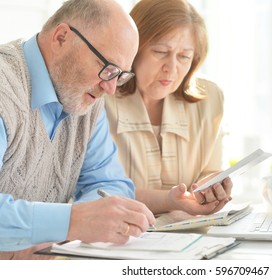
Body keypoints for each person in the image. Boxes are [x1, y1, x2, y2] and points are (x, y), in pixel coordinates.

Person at [0, 0, 216, 260]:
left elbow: (110, 182)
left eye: (120, 75)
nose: (111, 89)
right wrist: (72, 221)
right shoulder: (5, 91)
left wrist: (91, 219)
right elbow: (76, 220)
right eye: (107, 68)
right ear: (61, 38)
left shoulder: (84, 98)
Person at [105, 0, 232, 215]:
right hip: (119, 240)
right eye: (161, 52)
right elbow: (96, 191)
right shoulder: (101, 98)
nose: (171, 69)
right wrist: (170, 200)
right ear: (134, 48)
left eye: (184, 57)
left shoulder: (210, 99)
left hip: (193, 240)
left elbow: (210, 170)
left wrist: (212, 186)